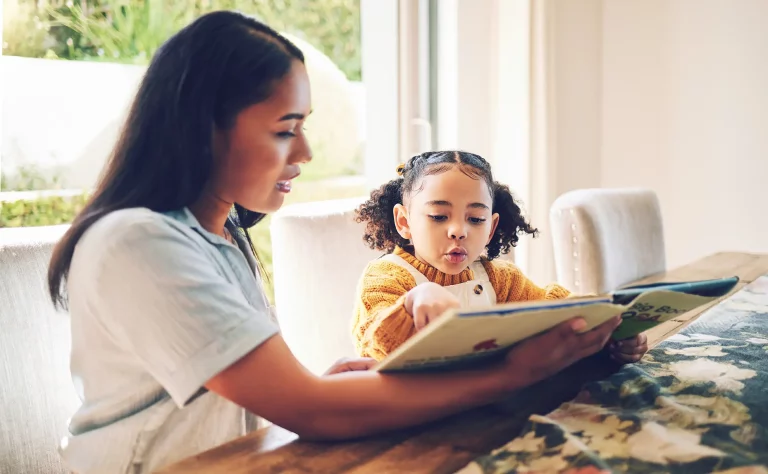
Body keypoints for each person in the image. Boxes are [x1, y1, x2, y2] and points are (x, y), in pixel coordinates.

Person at [48, 11, 623, 474]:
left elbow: (258, 399)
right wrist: (512, 374)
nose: (304, 154)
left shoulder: (220, 237)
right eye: (284, 130)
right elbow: (311, 413)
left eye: (303, 127)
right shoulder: (140, 242)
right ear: (204, 128)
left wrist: (311, 388)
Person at [352, 150, 649, 362]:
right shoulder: (387, 277)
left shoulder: (498, 278)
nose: (458, 231)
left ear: (492, 227)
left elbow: (553, 310)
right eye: (439, 217)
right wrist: (412, 303)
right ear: (404, 222)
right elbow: (376, 346)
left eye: (476, 220)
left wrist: (611, 328)